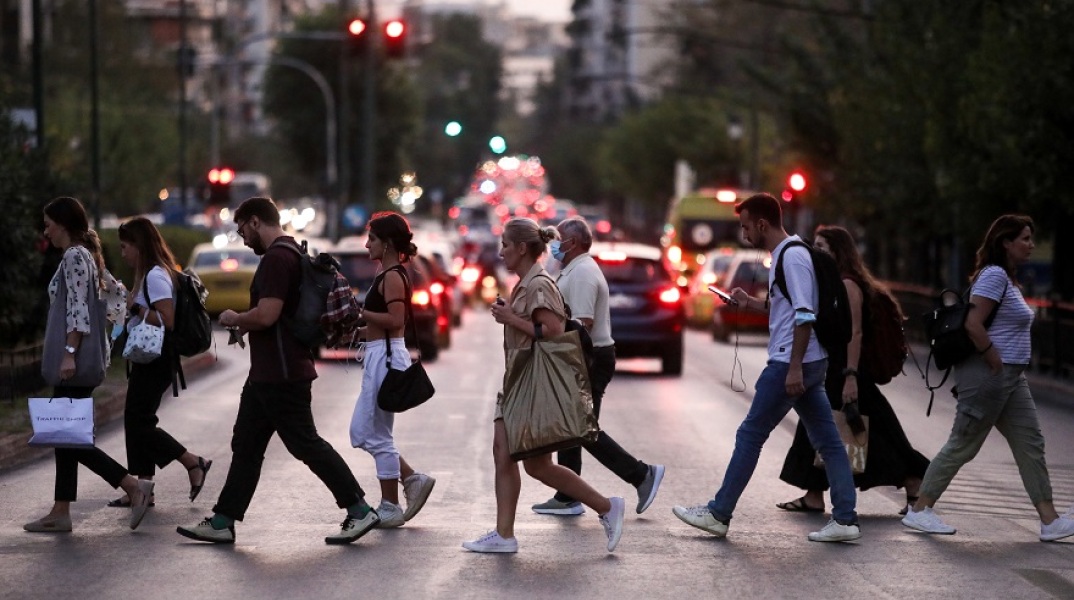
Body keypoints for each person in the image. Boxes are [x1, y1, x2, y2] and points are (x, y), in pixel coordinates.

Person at [177, 197, 377, 545]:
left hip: (282, 373)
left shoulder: (277, 259)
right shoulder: (292, 253)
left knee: (305, 444)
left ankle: (359, 509)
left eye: (242, 230)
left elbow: (268, 314)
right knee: (247, 445)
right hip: (269, 372)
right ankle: (223, 520)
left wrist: (236, 318)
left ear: (256, 222)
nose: (242, 239)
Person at [672, 193, 861, 543]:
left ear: (762, 223)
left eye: (746, 227)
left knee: (750, 435)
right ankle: (846, 520)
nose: (744, 234)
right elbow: (787, 308)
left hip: (793, 361)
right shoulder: (784, 256)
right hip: (806, 361)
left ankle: (718, 513)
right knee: (829, 443)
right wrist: (751, 304)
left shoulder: (792, 257)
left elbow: (805, 314)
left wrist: (792, 370)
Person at [902, 215, 1074, 541]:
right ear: (1006, 242)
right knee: (964, 443)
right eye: (1024, 238)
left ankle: (1050, 521)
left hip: (1012, 377)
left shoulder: (1007, 280)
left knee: (1030, 444)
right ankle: (920, 510)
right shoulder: (994, 276)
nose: (1031, 245)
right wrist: (994, 359)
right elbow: (972, 323)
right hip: (990, 374)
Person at [462, 217, 626, 553]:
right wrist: (513, 314)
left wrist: (511, 319)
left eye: (506, 245)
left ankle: (607, 507)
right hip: (520, 378)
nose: (502, 252)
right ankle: (505, 534)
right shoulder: (527, 282)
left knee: (529, 462)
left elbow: (552, 331)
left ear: (522, 248)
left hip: (532, 382)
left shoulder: (539, 284)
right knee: (512, 456)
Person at [776, 225, 929, 514]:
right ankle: (813, 494)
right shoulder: (833, 282)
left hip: (847, 371)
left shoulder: (847, 285)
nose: (816, 251)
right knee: (827, 428)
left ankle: (914, 479)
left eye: (822, 246)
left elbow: (854, 333)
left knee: (867, 431)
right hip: (837, 368)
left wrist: (850, 376)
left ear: (838, 251)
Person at [24, 196, 154, 533]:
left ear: (63, 223)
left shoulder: (74, 256)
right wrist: (110, 336)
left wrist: (71, 350)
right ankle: (60, 511)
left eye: (49, 223)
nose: (46, 230)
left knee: (70, 438)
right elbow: (116, 295)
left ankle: (131, 486)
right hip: (82, 357)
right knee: (66, 434)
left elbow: (79, 309)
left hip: (74, 362)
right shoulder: (87, 255)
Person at [530, 216, 665, 516]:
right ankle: (567, 495)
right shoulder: (574, 269)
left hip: (588, 358)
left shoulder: (582, 274)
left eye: (558, 240)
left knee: (581, 429)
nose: (554, 245)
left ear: (573, 243)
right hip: (584, 356)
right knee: (572, 427)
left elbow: (581, 325)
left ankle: (642, 475)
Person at [105, 217, 212, 508]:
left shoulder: (155, 275)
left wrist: (135, 306)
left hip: (158, 357)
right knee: (139, 419)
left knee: (138, 421)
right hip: (151, 357)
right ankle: (144, 489)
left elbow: (167, 319)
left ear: (139, 246)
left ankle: (192, 462)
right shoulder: (152, 273)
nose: (123, 252)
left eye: (125, 246)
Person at [348, 211, 436, 528]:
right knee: (364, 432)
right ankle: (411, 480)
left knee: (374, 434)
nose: (366, 243)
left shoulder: (393, 277)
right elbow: (385, 325)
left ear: (385, 243)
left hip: (385, 358)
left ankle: (391, 505)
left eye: (371, 238)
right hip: (380, 353)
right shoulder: (388, 276)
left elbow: (397, 322)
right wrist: (359, 331)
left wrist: (361, 312)